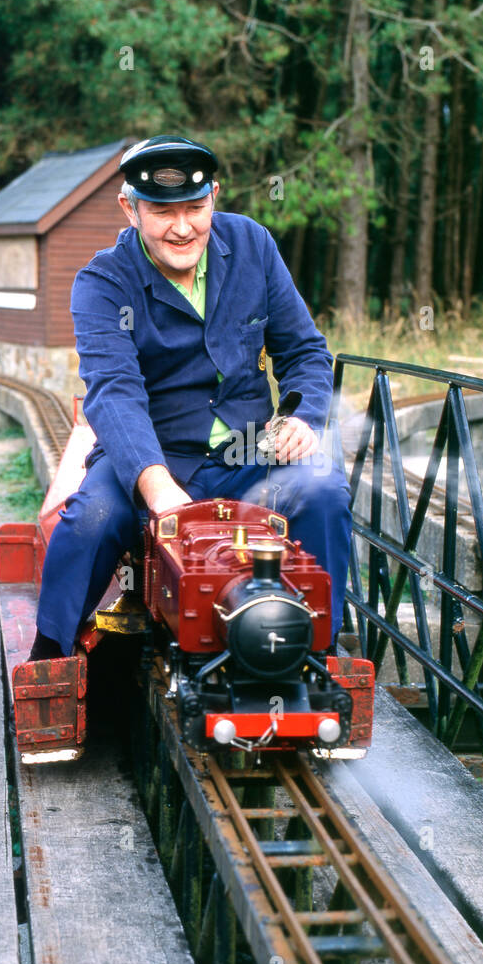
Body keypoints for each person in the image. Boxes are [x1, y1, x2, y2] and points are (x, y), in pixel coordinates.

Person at [32, 134, 351, 659]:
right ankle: (51, 653)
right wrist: (157, 489)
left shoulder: (253, 246)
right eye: (161, 211)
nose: (182, 228)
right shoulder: (103, 281)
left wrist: (303, 416)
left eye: (195, 209)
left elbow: (306, 352)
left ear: (215, 197)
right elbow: (114, 392)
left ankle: (320, 647)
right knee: (90, 518)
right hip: (150, 456)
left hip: (251, 451)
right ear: (129, 209)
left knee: (324, 490)